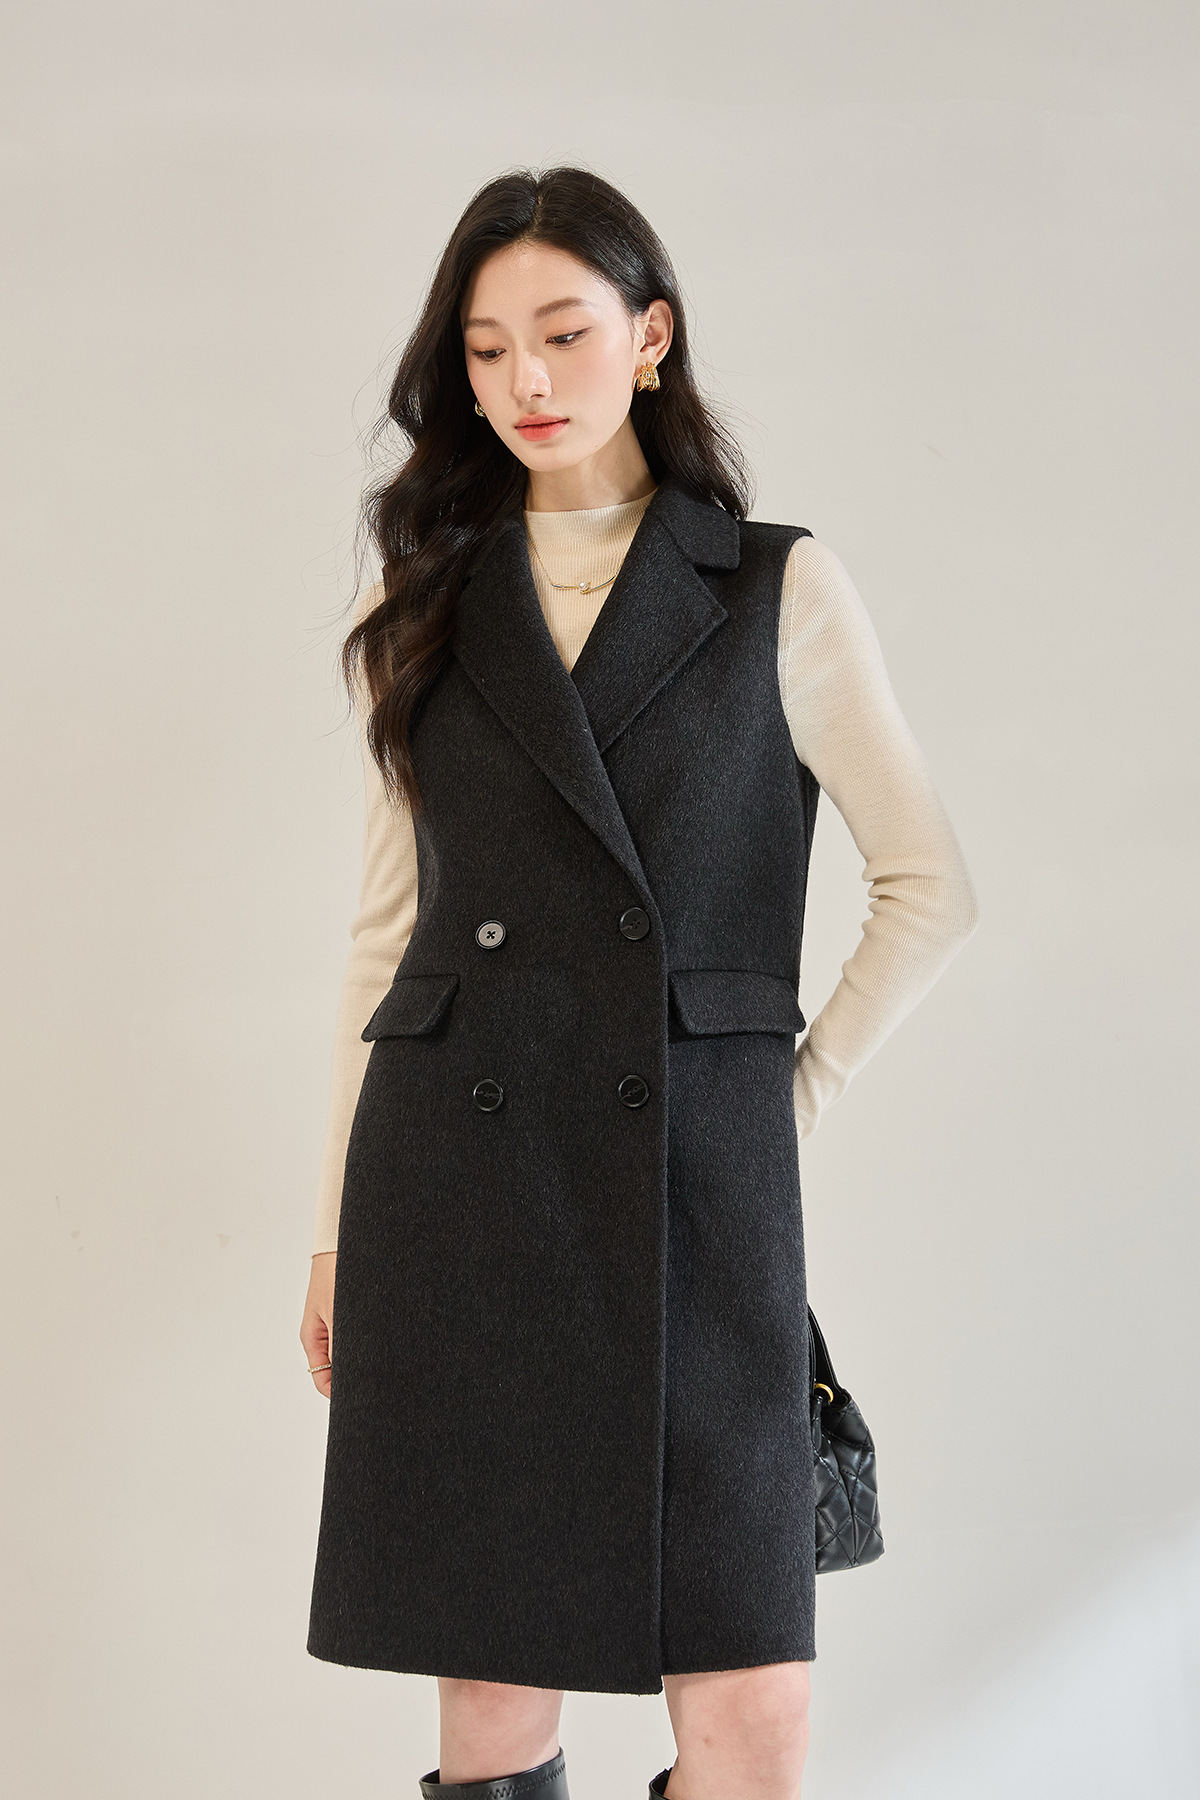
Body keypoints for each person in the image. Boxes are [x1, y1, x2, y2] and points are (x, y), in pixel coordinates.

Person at [299, 165, 979, 1800]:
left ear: (651, 337)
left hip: (700, 1202)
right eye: (485, 351)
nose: (526, 381)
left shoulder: (772, 586)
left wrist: (778, 1102)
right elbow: (386, 944)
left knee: (755, 1721)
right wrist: (333, 1230)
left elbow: (930, 888)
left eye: (564, 333)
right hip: (464, 1190)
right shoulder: (427, 607)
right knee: (495, 1709)